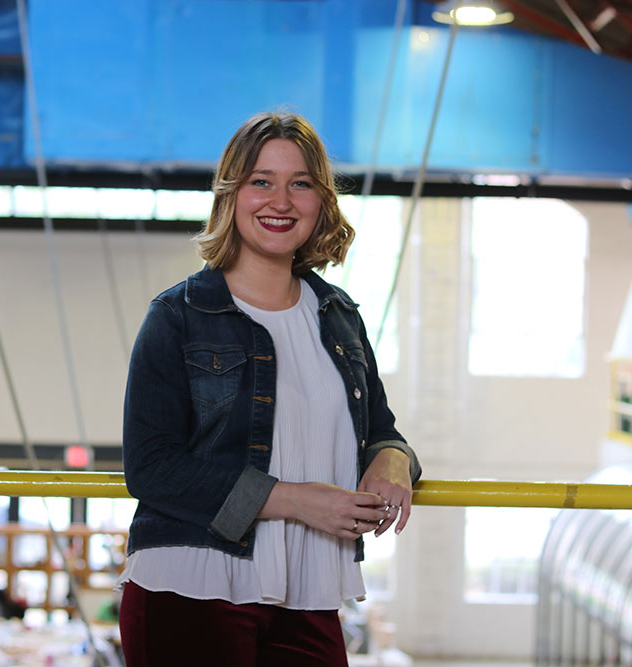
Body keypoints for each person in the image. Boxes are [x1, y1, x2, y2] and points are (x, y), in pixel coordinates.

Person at [117, 112, 422, 667]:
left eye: (300, 183)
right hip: (193, 585)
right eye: (261, 181)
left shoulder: (337, 316)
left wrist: (394, 460)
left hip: (309, 593)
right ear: (231, 195)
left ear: (321, 201)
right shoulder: (177, 317)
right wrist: (299, 501)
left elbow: (381, 430)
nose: (280, 201)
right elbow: (151, 467)